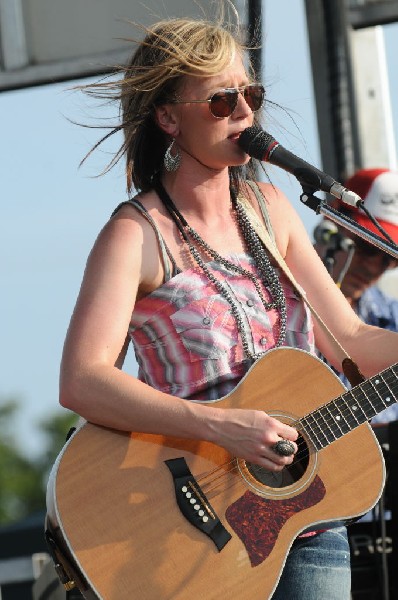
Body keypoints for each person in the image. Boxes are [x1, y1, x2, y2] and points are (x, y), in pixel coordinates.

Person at [56, 9, 398, 600]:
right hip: (185, 528)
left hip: (309, 519)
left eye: (251, 94)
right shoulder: (136, 235)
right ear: (168, 117)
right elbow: (82, 382)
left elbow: (351, 342)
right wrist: (224, 427)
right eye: (221, 101)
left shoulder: (270, 209)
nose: (244, 111)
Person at [314, 167, 398, 423]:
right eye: (367, 246)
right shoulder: (270, 303)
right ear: (331, 221)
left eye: (388, 257)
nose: (373, 267)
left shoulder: (393, 318)